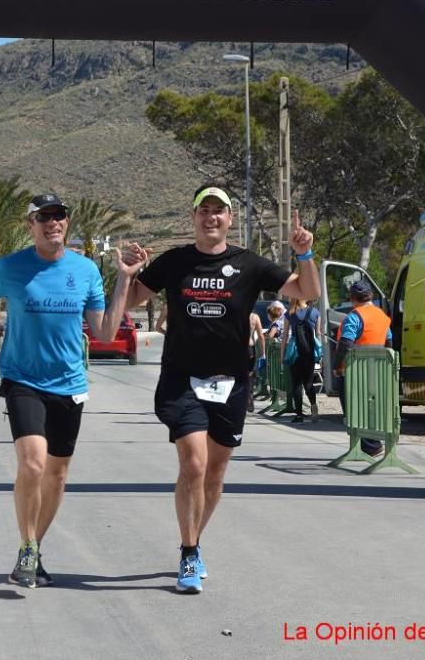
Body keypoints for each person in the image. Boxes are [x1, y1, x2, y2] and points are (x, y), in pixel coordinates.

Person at [0, 193, 147, 589]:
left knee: (56, 475)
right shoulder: (10, 268)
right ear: (30, 225)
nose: (52, 222)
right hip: (22, 380)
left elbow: (107, 332)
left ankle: (34, 548)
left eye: (58, 216)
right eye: (43, 216)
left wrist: (125, 279)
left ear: (67, 223)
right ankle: (26, 546)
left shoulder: (86, 270)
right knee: (34, 463)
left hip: (69, 384)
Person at [124, 185, 319, 593]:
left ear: (230, 219)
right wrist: (127, 274)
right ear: (193, 217)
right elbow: (134, 301)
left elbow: (306, 292)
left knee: (215, 472)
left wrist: (304, 254)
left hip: (231, 382)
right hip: (181, 378)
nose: (211, 217)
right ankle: (189, 550)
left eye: (219, 211)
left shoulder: (249, 264)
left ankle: (195, 540)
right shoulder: (175, 261)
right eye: (203, 210)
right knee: (193, 463)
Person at [332, 280, 393, 456]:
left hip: (355, 371)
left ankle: (370, 445)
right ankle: (369, 444)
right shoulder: (382, 316)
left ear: (352, 298)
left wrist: (337, 365)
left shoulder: (354, 316)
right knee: (372, 407)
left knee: (354, 409)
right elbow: (389, 341)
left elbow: (346, 343)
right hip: (379, 370)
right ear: (371, 296)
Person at [281, 298, 321, 423]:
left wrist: (282, 355)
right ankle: (314, 407)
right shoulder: (315, 312)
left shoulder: (289, 313)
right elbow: (318, 333)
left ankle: (299, 415)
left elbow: (285, 336)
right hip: (309, 351)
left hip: (294, 352)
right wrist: (319, 353)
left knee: (296, 383)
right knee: (308, 382)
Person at [247, 311, 266, 413]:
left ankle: (243, 397)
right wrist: (263, 353)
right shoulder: (254, 317)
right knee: (250, 373)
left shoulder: (234, 312)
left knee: (237, 374)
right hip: (249, 348)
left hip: (236, 347)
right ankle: (249, 394)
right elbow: (261, 335)